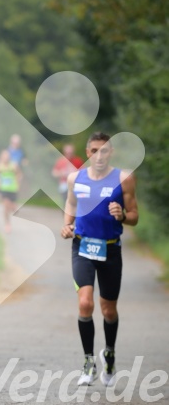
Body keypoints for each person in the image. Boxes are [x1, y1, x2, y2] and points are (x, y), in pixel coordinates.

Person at [61, 132, 139, 386]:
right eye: (95, 151)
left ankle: (110, 352)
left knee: (108, 309)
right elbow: (71, 205)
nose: (99, 155)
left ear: (111, 152)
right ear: (88, 153)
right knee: (85, 304)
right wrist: (66, 225)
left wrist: (122, 216)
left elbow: (135, 215)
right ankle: (88, 362)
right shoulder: (76, 177)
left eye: (104, 151)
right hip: (82, 247)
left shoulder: (123, 178)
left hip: (110, 249)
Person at [0, 149, 22, 233]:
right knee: (5, 207)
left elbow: (19, 174)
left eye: (7, 156)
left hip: (13, 189)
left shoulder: (13, 165)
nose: (6, 157)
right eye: (4, 156)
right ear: (1, 157)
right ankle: (7, 224)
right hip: (3, 189)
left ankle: (13, 207)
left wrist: (18, 181)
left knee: (13, 208)